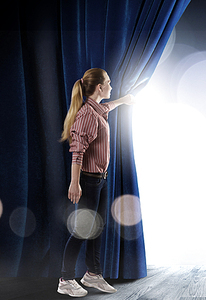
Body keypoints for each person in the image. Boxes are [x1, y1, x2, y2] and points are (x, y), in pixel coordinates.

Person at [57, 68, 134, 297]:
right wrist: (74, 182)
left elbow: (108, 107)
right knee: (84, 229)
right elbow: (77, 151)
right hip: (89, 181)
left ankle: (92, 274)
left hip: (101, 179)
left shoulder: (98, 109)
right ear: (99, 87)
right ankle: (66, 279)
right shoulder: (87, 116)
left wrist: (124, 100)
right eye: (109, 82)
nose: (112, 85)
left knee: (97, 228)